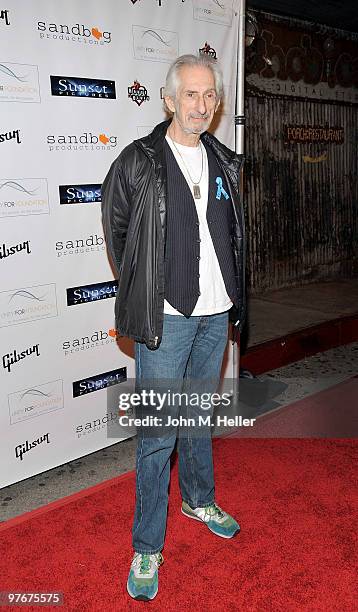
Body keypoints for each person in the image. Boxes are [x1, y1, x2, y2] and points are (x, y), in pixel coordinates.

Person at [101, 53, 246, 602]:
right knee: (159, 435)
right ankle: (146, 544)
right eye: (191, 94)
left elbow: (232, 238)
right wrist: (145, 288)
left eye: (209, 95)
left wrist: (230, 301)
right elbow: (117, 229)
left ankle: (198, 498)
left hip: (215, 313)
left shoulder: (224, 160)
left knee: (199, 415)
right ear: (168, 100)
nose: (202, 105)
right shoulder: (140, 160)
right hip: (167, 317)